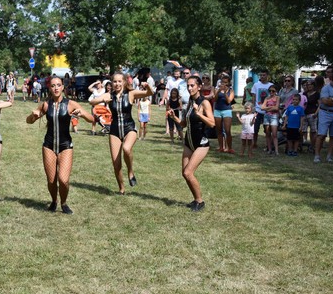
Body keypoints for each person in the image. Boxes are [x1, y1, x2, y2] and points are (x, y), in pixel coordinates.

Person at [26, 76, 94, 214]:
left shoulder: (71, 104)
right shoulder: (46, 105)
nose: (56, 88)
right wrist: (33, 115)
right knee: (51, 180)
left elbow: (92, 119)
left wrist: (82, 113)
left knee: (63, 180)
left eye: (58, 85)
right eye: (53, 86)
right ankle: (54, 201)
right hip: (49, 145)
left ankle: (63, 203)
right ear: (50, 88)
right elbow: (29, 121)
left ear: (63, 87)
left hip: (65, 146)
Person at [89, 72, 154, 194]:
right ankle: (121, 188)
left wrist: (147, 86)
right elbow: (91, 102)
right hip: (114, 130)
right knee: (116, 164)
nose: (117, 84)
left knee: (127, 148)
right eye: (115, 81)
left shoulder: (130, 93)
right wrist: (103, 100)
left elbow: (149, 93)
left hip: (129, 128)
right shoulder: (109, 95)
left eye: (119, 81)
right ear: (111, 83)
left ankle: (130, 171)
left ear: (124, 82)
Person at [166, 76, 215, 212]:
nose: (189, 88)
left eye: (192, 85)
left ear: (199, 87)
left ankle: (200, 201)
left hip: (201, 143)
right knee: (184, 173)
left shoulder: (204, 103)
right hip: (189, 141)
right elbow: (183, 124)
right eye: (188, 85)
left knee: (188, 172)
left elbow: (212, 123)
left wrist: (199, 114)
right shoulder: (190, 103)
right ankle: (195, 200)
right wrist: (174, 117)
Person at [213, 73, 235, 153]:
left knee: (227, 130)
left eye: (226, 82)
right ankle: (221, 147)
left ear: (229, 83)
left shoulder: (231, 91)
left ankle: (230, 148)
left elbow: (229, 101)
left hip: (226, 111)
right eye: (223, 82)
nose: (224, 84)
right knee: (219, 130)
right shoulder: (217, 89)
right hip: (217, 110)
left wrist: (225, 93)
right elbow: (215, 100)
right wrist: (218, 91)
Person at [251, 69, 273, 149]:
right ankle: (254, 143)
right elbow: (254, 96)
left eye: (264, 75)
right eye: (261, 75)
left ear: (267, 76)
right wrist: (253, 107)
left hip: (267, 111)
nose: (262, 77)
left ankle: (268, 144)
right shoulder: (256, 85)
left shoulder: (271, 85)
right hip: (258, 110)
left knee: (267, 129)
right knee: (255, 128)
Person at [260, 85, 281, 155]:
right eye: (270, 91)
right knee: (268, 133)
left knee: (274, 134)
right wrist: (272, 107)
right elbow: (262, 108)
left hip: (274, 116)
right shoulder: (267, 98)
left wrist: (267, 108)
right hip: (266, 116)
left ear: (276, 91)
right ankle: (269, 149)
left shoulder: (277, 98)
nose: (271, 92)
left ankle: (276, 150)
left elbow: (277, 108)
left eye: (273, 91)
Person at [302, 78, 320, 152]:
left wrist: (316, 113)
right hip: (304, 114)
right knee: (303, 131)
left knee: (313, 131)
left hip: (312, 114)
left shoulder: (317, 94)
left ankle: (313, 146)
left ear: (313, 85)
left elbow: (320, 105)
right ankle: (303, 145)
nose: (309, 86)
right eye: (307, 85)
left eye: (310, 84)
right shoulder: (304, 94)